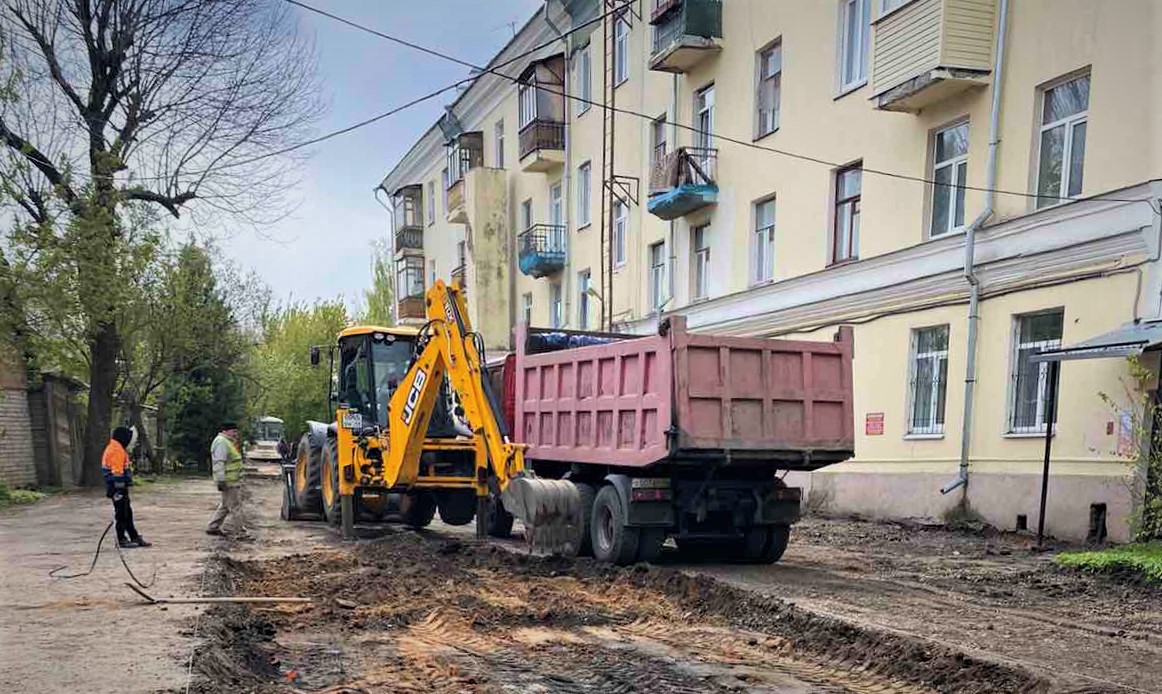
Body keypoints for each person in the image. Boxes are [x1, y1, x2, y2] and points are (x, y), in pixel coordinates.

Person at [102, 426, 151, 548]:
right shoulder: (116, 450)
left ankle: (134, 536)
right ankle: (122, 538)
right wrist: (120, 490)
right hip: (118, 488)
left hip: (119, 487)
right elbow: (117, 472)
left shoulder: (115, 448)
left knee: (127, 513)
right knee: (122, 514)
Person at [205, 421, 247, 538]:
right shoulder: (221, 442)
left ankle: (213, 527)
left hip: (231, 480)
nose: (235, 434)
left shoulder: (226, 442)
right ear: (225, 431)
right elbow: (219, 462)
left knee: (225, 505)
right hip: (229, 481)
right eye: (233, 431)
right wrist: (221, 480)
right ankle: (241, 532)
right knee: (235, 507)